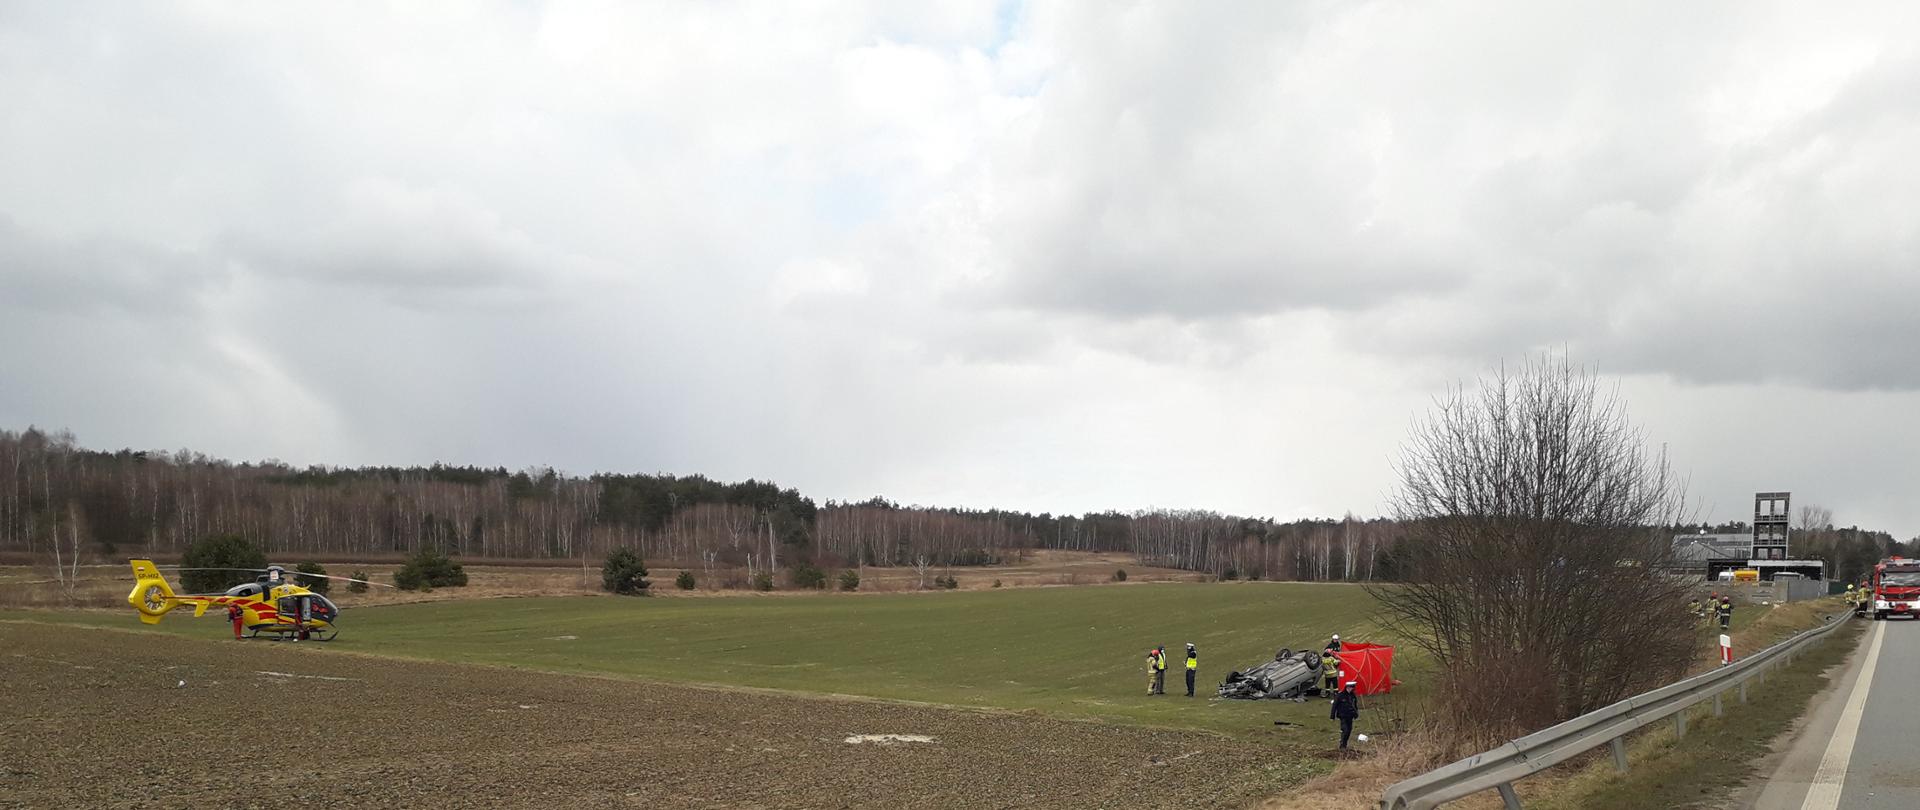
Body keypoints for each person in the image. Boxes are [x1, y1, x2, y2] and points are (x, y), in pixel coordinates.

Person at [1331, 680, 1360, 749]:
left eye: (1353, 688)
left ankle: (1344, 744)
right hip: (1343, 715)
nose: (1352, 689)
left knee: (1349, 730)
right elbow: (1334, 706)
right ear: (1347, 687)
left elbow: (1354, 705)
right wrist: (1332, 716)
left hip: (1350, 716)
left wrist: (1356, 714)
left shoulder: (1353, 696)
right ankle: (1342, 745)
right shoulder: (1340, 695)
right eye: (1351, 687)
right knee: (1345, 730)